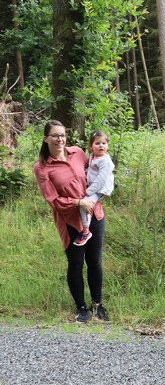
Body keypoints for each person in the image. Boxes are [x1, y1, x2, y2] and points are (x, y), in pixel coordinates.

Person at [34, 120, 110, 323]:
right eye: (55, 135)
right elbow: (52, 200)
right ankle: (81, 308)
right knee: (76, 264)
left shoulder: (78, 153)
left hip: (95, 215)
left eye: (62, 135)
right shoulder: (42, 167)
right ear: (46, 138)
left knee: (94, 261)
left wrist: (104, 188)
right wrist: (78, 202)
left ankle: (97, 304)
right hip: (70, 220)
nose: (60, 139)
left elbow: (96, 168)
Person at [75, 129, 115, 247]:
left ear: (107, 146)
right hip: (94, 185)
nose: (101, 146)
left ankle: (86, 232)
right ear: (91, 147)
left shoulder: (105, 161)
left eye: (104, 143)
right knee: (85, 203)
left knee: (84, 205)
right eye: (97, 143)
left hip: (101, 188)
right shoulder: (93, 156)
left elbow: (101, 180)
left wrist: (89, 191)